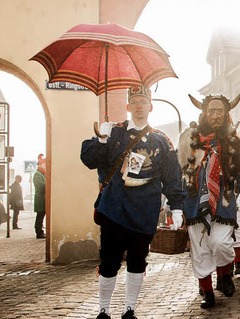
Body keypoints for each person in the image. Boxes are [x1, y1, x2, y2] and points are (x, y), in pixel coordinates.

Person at [81, 84, 186, 319]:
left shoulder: (162, 140)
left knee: (137, 261)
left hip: (145, 210)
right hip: (114, 209)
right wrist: (101, 140)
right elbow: (89, 159)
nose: (139, 106)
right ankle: (103, 310)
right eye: (135, 102)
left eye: (143, 102)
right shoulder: (114, 132)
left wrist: (177, 206)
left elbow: (172, 176)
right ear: (128, 106)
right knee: (109, 260)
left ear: (151, 107)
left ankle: (130, 309)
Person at [177, 93, 240, 309]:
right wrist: (173, 203)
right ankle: (207, 292)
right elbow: (177, 173)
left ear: (226, 114)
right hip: (194, 204)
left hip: (223, 204)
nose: (216, 115)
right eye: (212, 110)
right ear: (204, 113)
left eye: (220, 111)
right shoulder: (188, 141)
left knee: (220, 244)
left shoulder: (234, 143)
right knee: (200, 251)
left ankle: (224, 274)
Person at [33, 154, 46, 239]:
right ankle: (39, 232)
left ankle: (40, 231)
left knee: (41, 216)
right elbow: (40, 187)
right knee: (40, 216)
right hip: (40, 199)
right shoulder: (37, 174)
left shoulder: (42, 174)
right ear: (40, 165)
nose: (46, 165)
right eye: (44, 164)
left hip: (43, 199)